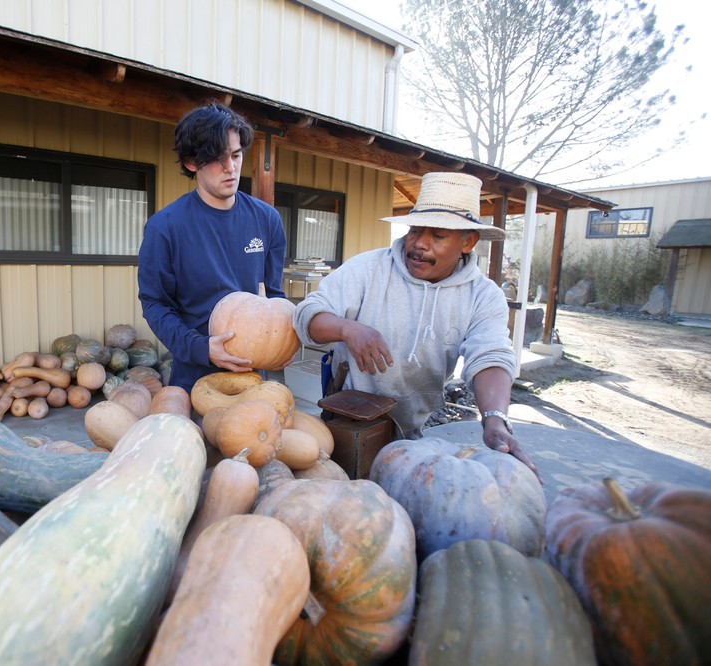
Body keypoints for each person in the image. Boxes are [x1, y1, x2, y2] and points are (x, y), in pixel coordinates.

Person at [292, 171, 540, 479]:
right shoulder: (367, 270)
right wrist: (347, 328)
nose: (419, 244)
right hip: (347, 420)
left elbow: (489, 356)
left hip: (415, 427)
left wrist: (494, 419)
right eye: (415, 230)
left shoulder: (483, 296)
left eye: (437, 236)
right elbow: (308, 315)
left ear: (468, 241)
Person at [138, 102, 287, 393]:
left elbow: (274, 295)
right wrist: (201, 347)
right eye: (218, 158)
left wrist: (283, 340)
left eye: (236, 155)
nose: (230, 168)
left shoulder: (267, 219)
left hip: (257, 376)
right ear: (192, 163)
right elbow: (155, 304)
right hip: (195, 378)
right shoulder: (165, 228)